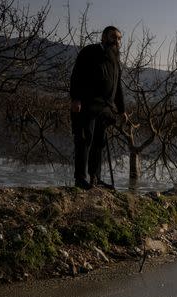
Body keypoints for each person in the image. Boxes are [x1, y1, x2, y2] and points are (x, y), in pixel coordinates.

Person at [69, 26, 126, 190]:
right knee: (84, 140)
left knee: (99, 143)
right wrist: (76, 98)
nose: (116, 41)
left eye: (119, 38)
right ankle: (80, 179)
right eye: (113, 37)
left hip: (105, 109)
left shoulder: (115, 59)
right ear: (103, 37)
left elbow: (118, 87)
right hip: (86, 104)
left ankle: (95, 178)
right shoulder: (90, 52)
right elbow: (77, 75)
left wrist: (122, 110)